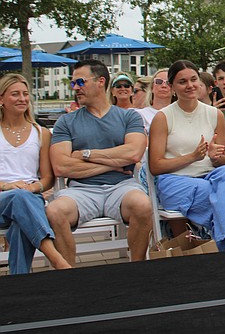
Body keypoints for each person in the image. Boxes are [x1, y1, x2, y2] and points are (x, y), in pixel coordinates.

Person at [46, 59, 152, 264]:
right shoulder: (66, 121)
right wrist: (113, 162)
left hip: (122, 186)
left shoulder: (129, 117)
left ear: (100, 81)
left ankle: (137, 270)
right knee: (54, 210)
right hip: (81, 191)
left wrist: (84, 154)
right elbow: (61, 166)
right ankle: (68, 277)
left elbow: (133, 153)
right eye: (73, 83)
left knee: (142, 205)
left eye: (80, 82)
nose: (75, 88)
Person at [149, 60, 225, 251]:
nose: (190, 85)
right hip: (175, 181)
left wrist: (215, 157)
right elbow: (155, 166)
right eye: (182, 82)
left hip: (210, 177)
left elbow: (222, 163)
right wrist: (192, 157)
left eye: (193, 79)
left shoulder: (215, 114)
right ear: (172, 87)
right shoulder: (163, 117)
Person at [0, 74, 72, 274]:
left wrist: (32, 187)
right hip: (3, 198)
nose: (22, 99)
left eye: (25, 94)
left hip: (29, 199)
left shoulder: (41, 133)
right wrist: (7, 186)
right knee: (19, 197)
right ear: (1, 99)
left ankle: (18, 281)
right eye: (15, 94)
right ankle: (56, 259)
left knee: (20, 222)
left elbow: (48, 178)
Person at [136, 68, 173, 133]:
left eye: (169, 83)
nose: (164, 86)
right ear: (152, 87)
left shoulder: (180, 114)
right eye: (159, 82)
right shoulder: (139, 115)